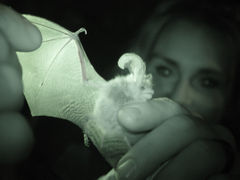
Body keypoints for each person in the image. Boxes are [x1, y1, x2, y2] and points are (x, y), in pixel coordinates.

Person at [0, 1, 240, 180]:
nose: (181, 94)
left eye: (207, 82)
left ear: (228, 95)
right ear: (141, 61)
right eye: (165, 70)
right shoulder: (61, 153)